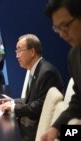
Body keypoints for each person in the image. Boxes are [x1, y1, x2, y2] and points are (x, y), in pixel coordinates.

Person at [0, 34, 63, 141]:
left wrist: (14, 108)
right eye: (16, 51)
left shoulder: (47, 72)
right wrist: (13, 102)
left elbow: (40, 106)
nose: (17, 55)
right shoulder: (35, 69)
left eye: (19, 50)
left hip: (37, 130)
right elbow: (32, 100)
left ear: (32, 52)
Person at [41, 0, 81, 140]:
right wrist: (56, 128)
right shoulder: (74, 55)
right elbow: (78, 100)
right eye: (57, 28)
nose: (62, 34)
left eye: (65, 26)